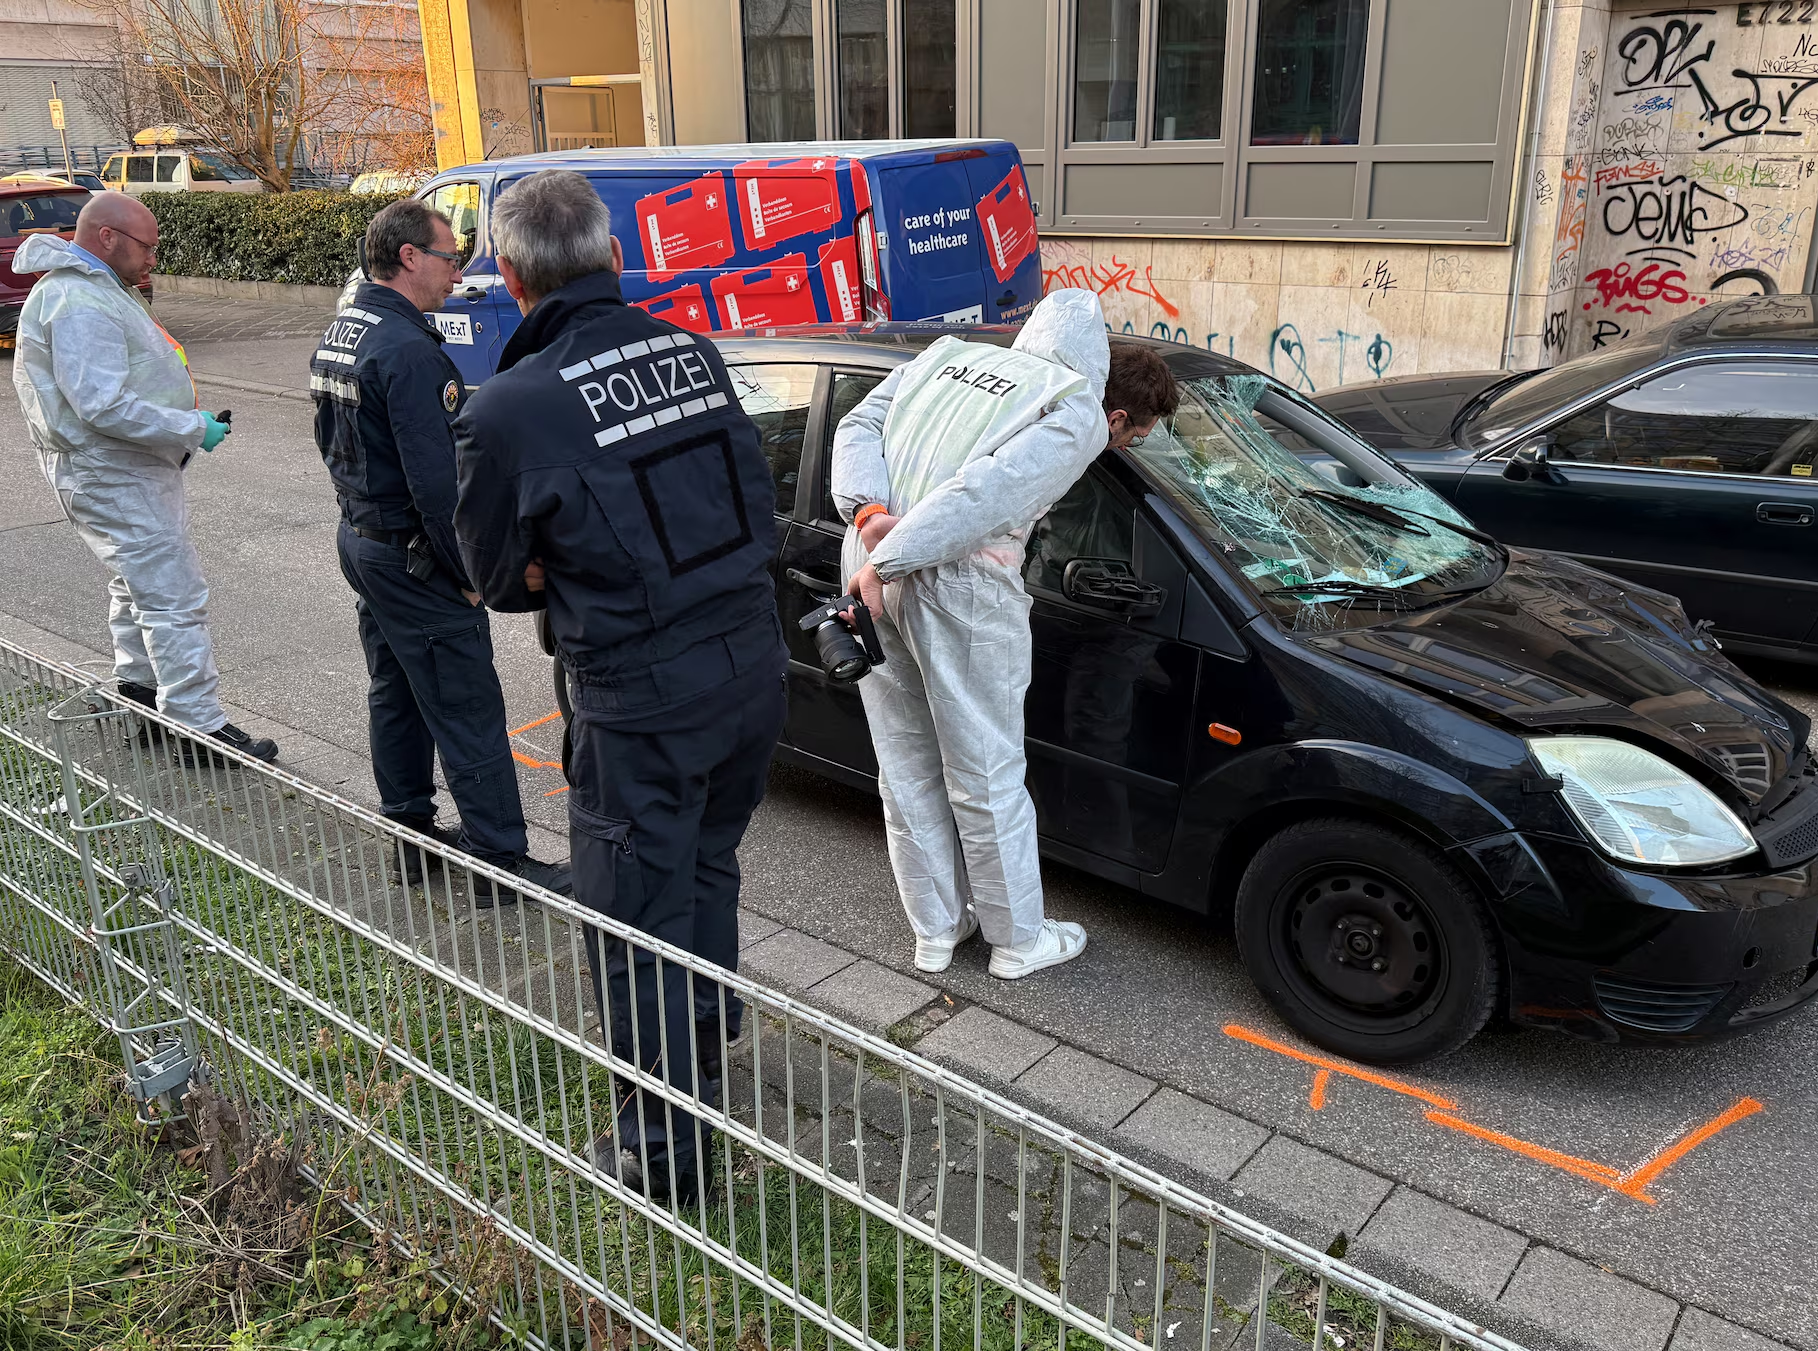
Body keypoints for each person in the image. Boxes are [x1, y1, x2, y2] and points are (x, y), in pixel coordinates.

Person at [452, 170, 785, 1204]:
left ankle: (667, 1155)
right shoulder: (686, 349)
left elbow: (495, 575)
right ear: (607, 254)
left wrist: (566, 561)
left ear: (509, 276)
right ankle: (703, 1043)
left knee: (633, 920)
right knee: (706, 870)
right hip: (750, 670)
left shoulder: (508, 407)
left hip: (643, 702)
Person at [832, 313, 1179, 979]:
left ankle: (936, 931)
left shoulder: (946, 356)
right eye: (1134, 437)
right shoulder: (1072, 407)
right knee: (986, 771)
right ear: (1117, 418)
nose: (1124, 447)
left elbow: (858, 426)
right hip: (951, 579)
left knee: (905, 762)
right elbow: (986, 494)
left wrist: (871, 517)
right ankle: (1017, 939)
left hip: (866, 555)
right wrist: (892, 561)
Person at [311, 198, 570, 903]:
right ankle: (497, 862)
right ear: (409, 258)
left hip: (364, 542)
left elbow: (331, 444)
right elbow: (438, 486)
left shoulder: (346, 329)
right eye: (451, 256)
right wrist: (472, 576)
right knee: (466, 705)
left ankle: (410, 838)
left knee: (395, 694)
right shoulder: (407, 350)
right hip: (415, 555)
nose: (460, 270)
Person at [10, 193, 276, 762]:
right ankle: (197, 727)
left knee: (135, 585)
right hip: (113, 472)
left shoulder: (89, 290)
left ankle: (141, 694)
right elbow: (101, 404)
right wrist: (188, 426)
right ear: (107, 237)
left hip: (116, 469)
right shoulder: (80, 299)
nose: (153, 257)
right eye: (146, 246)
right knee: (172, 597)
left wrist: (184, 426)